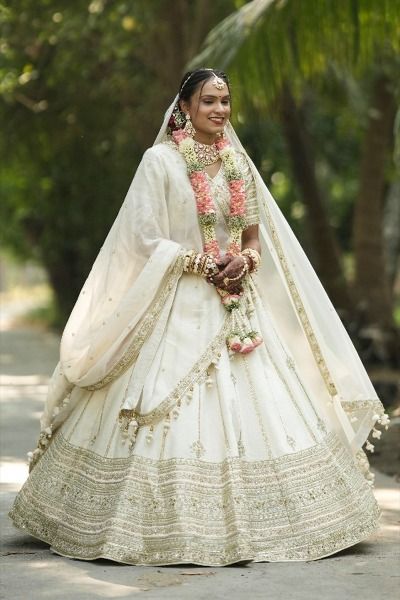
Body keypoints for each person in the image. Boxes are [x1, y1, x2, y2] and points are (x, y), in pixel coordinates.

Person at [9, 68, 390, 566]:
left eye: (226, 101)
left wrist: (244, 261)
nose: (219, 110)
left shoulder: (239, 165)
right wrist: (198, 263)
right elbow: (142, 236)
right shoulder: (160, 163)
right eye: (209, 101)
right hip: (176, 301)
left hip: (237, 305)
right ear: (184, 106)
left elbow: (253, 237)